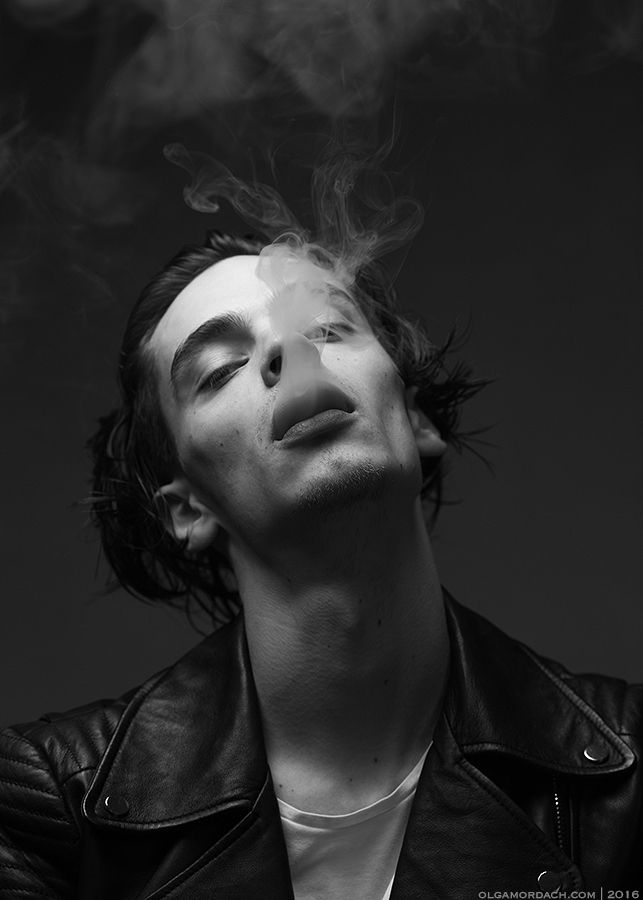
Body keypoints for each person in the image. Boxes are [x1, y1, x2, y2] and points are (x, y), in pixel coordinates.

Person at [0, 230, 641, 899]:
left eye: (327, 328)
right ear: (188, 509)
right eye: (220, 370)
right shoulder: (49, 807)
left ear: (418, 421)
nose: (289, 350)